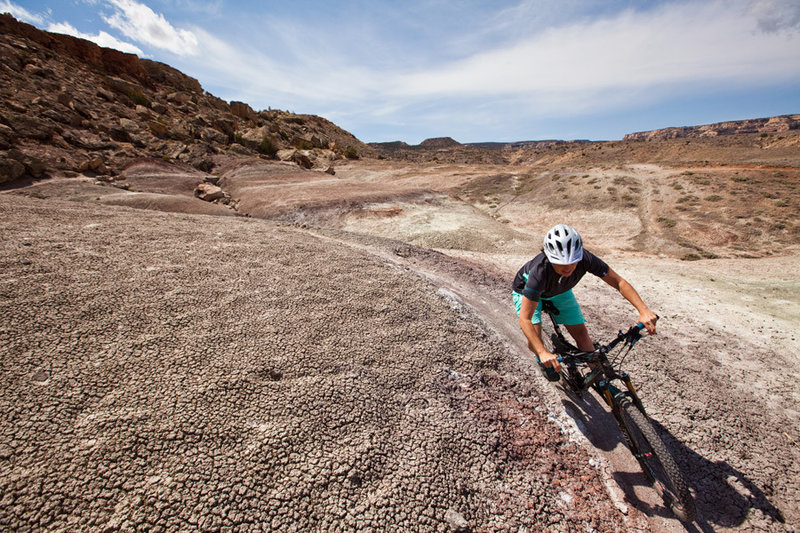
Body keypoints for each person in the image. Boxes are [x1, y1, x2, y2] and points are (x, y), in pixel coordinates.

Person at [512, 224, 657, 381]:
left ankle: (597, 375)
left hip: (560, 290)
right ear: (549, 257)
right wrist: (542, 352)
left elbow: (619, 282)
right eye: (561, 263)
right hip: (528, 292)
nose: (568, 268)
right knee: (535, 338)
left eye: (573, 261)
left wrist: (643, 310)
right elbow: (525, 319)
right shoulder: (539, 273)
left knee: (581, 333)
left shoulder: (585, 258)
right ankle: (542, 360)